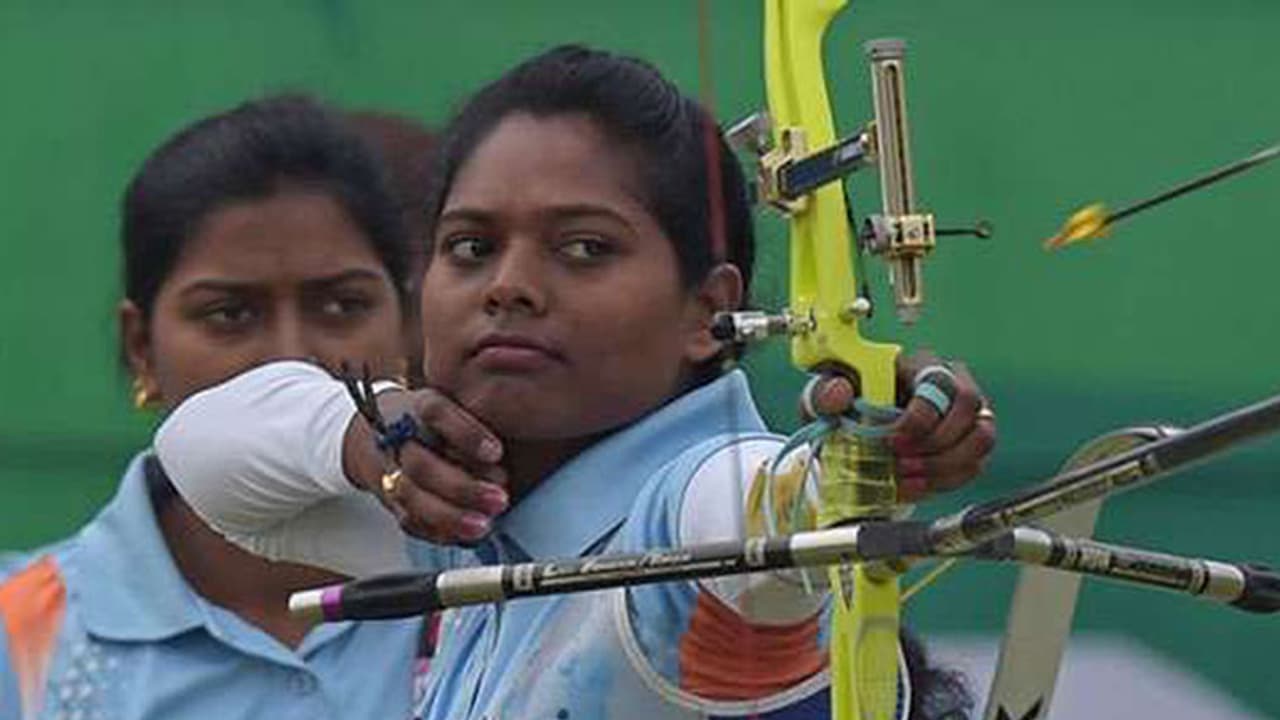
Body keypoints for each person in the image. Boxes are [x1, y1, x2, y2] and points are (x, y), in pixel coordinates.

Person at [154, 46, 995, 719]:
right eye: (471, 247)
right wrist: (365, 438)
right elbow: (198, 453)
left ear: (710, 310)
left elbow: (762, 511)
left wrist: (862, 456)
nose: (508, 286)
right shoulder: (468, 512)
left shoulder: (691, 507)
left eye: (585, 248)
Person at [0, 95, 439, 720]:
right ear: (141, 347)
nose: (291, 360)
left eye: (342, 305)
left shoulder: (490, 603)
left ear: (407, 327)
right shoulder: (23, 639)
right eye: (229, 314)